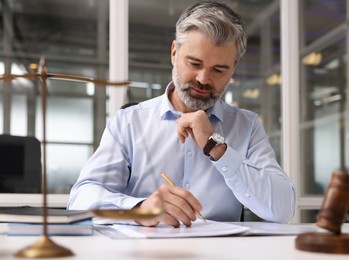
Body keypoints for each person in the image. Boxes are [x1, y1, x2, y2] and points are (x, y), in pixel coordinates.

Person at [68, 1, 296, 227]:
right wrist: (139, 209)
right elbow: (80, 200)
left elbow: (283, 209)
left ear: (232, 70)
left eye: (219, 70)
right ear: (174, 53)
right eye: (194, 63)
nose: (203, 79)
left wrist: (218, 148)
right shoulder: (129, 123)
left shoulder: (247, 126)